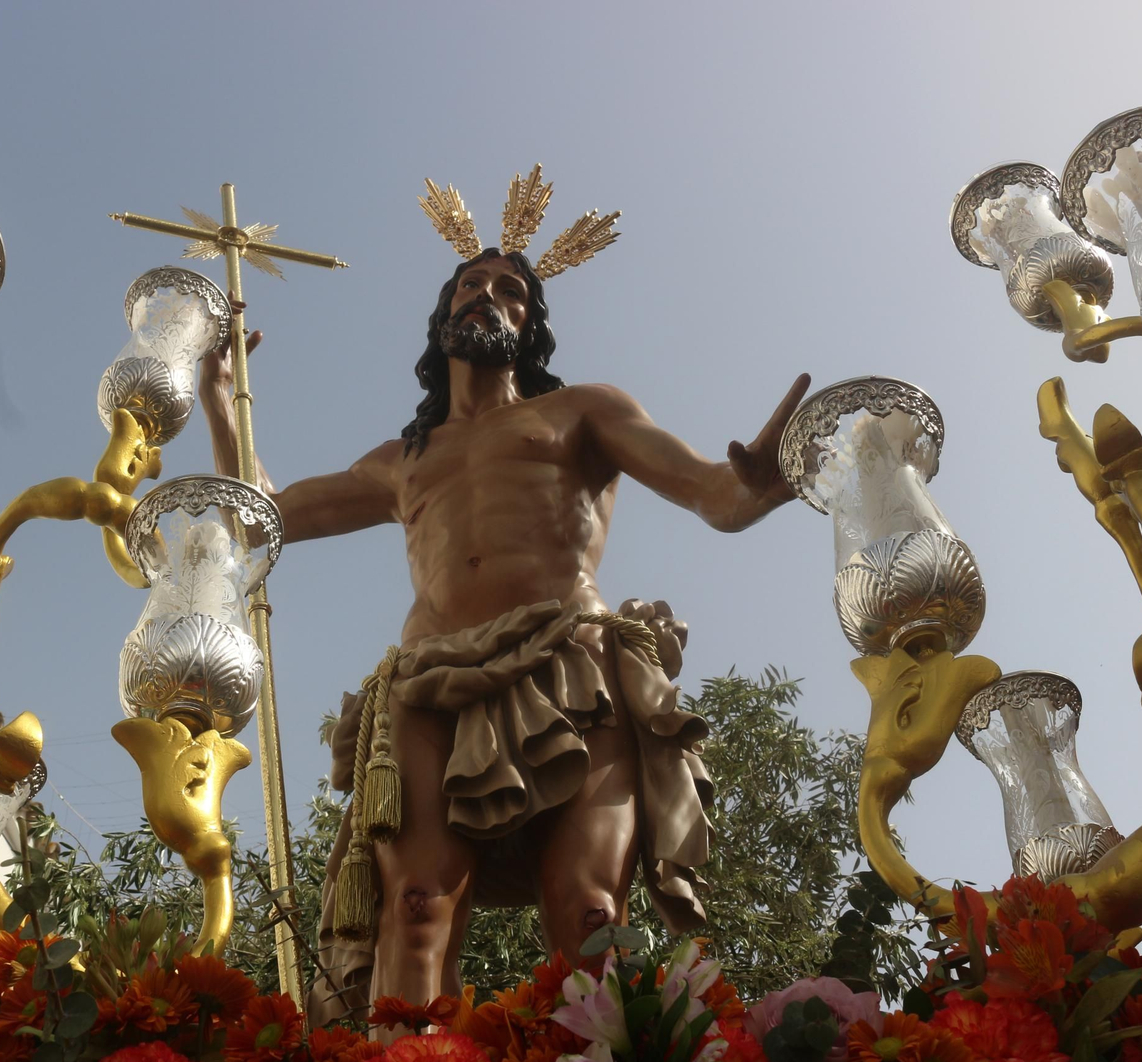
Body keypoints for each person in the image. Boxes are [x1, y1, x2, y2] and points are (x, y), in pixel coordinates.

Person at [201, 244, 809, 1020]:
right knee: (416, 905)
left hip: (570, 664)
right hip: (429, 684)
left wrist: (752, 485)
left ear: (530, 324)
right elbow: (258, 521)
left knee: (590, 914)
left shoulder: (584, 410)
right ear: (444, 318)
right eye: (470, 285)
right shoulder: (402, 461)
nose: (487, 297)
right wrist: (221, 400)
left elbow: (711, 492)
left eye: (510, 291)